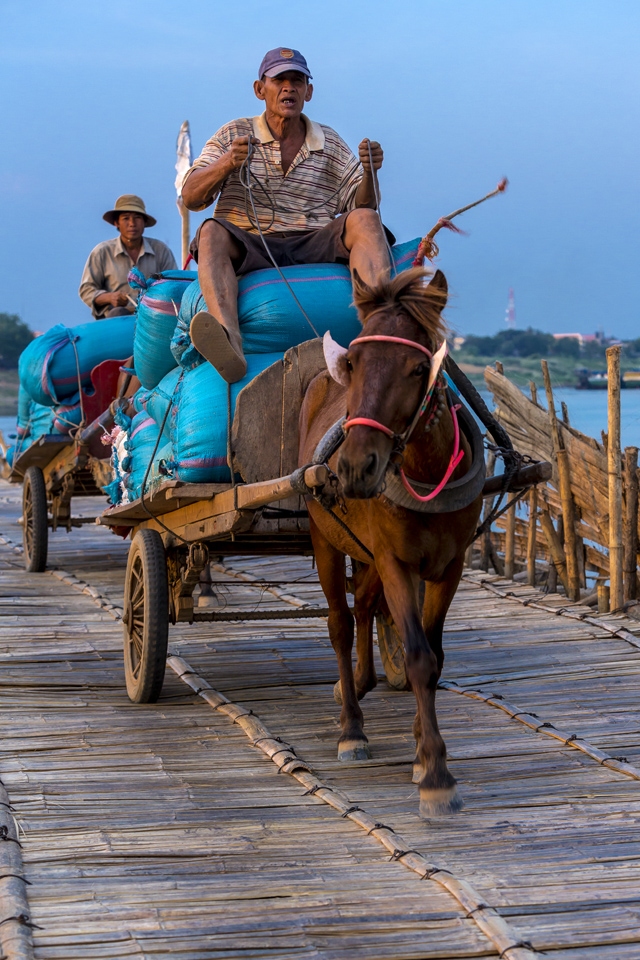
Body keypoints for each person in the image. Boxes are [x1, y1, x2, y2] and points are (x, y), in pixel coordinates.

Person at [181, 47, 390, 383]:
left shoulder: (330, 141)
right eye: (279, 80)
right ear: (259, 89)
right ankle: (228, 340)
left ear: (309, 91)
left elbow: (362, 204)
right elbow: (191, 197)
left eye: (297, 81)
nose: (288, 88)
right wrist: (226, 164)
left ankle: (382, 332)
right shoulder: (233, 134)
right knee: (210, 231)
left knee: (367, 220)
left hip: (313, 239)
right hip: (251, 242)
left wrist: (369, 172)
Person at [79, 195, 177, 319]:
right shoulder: (102, 251)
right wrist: (110, 297)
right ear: (116, 223)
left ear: (144, 222)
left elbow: (174, 284)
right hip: (115, 319)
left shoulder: (160, 250)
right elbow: (86, 290)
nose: (132, 224)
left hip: (152, 318)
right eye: (126, 218)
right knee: (118, 313)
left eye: (137, 218)